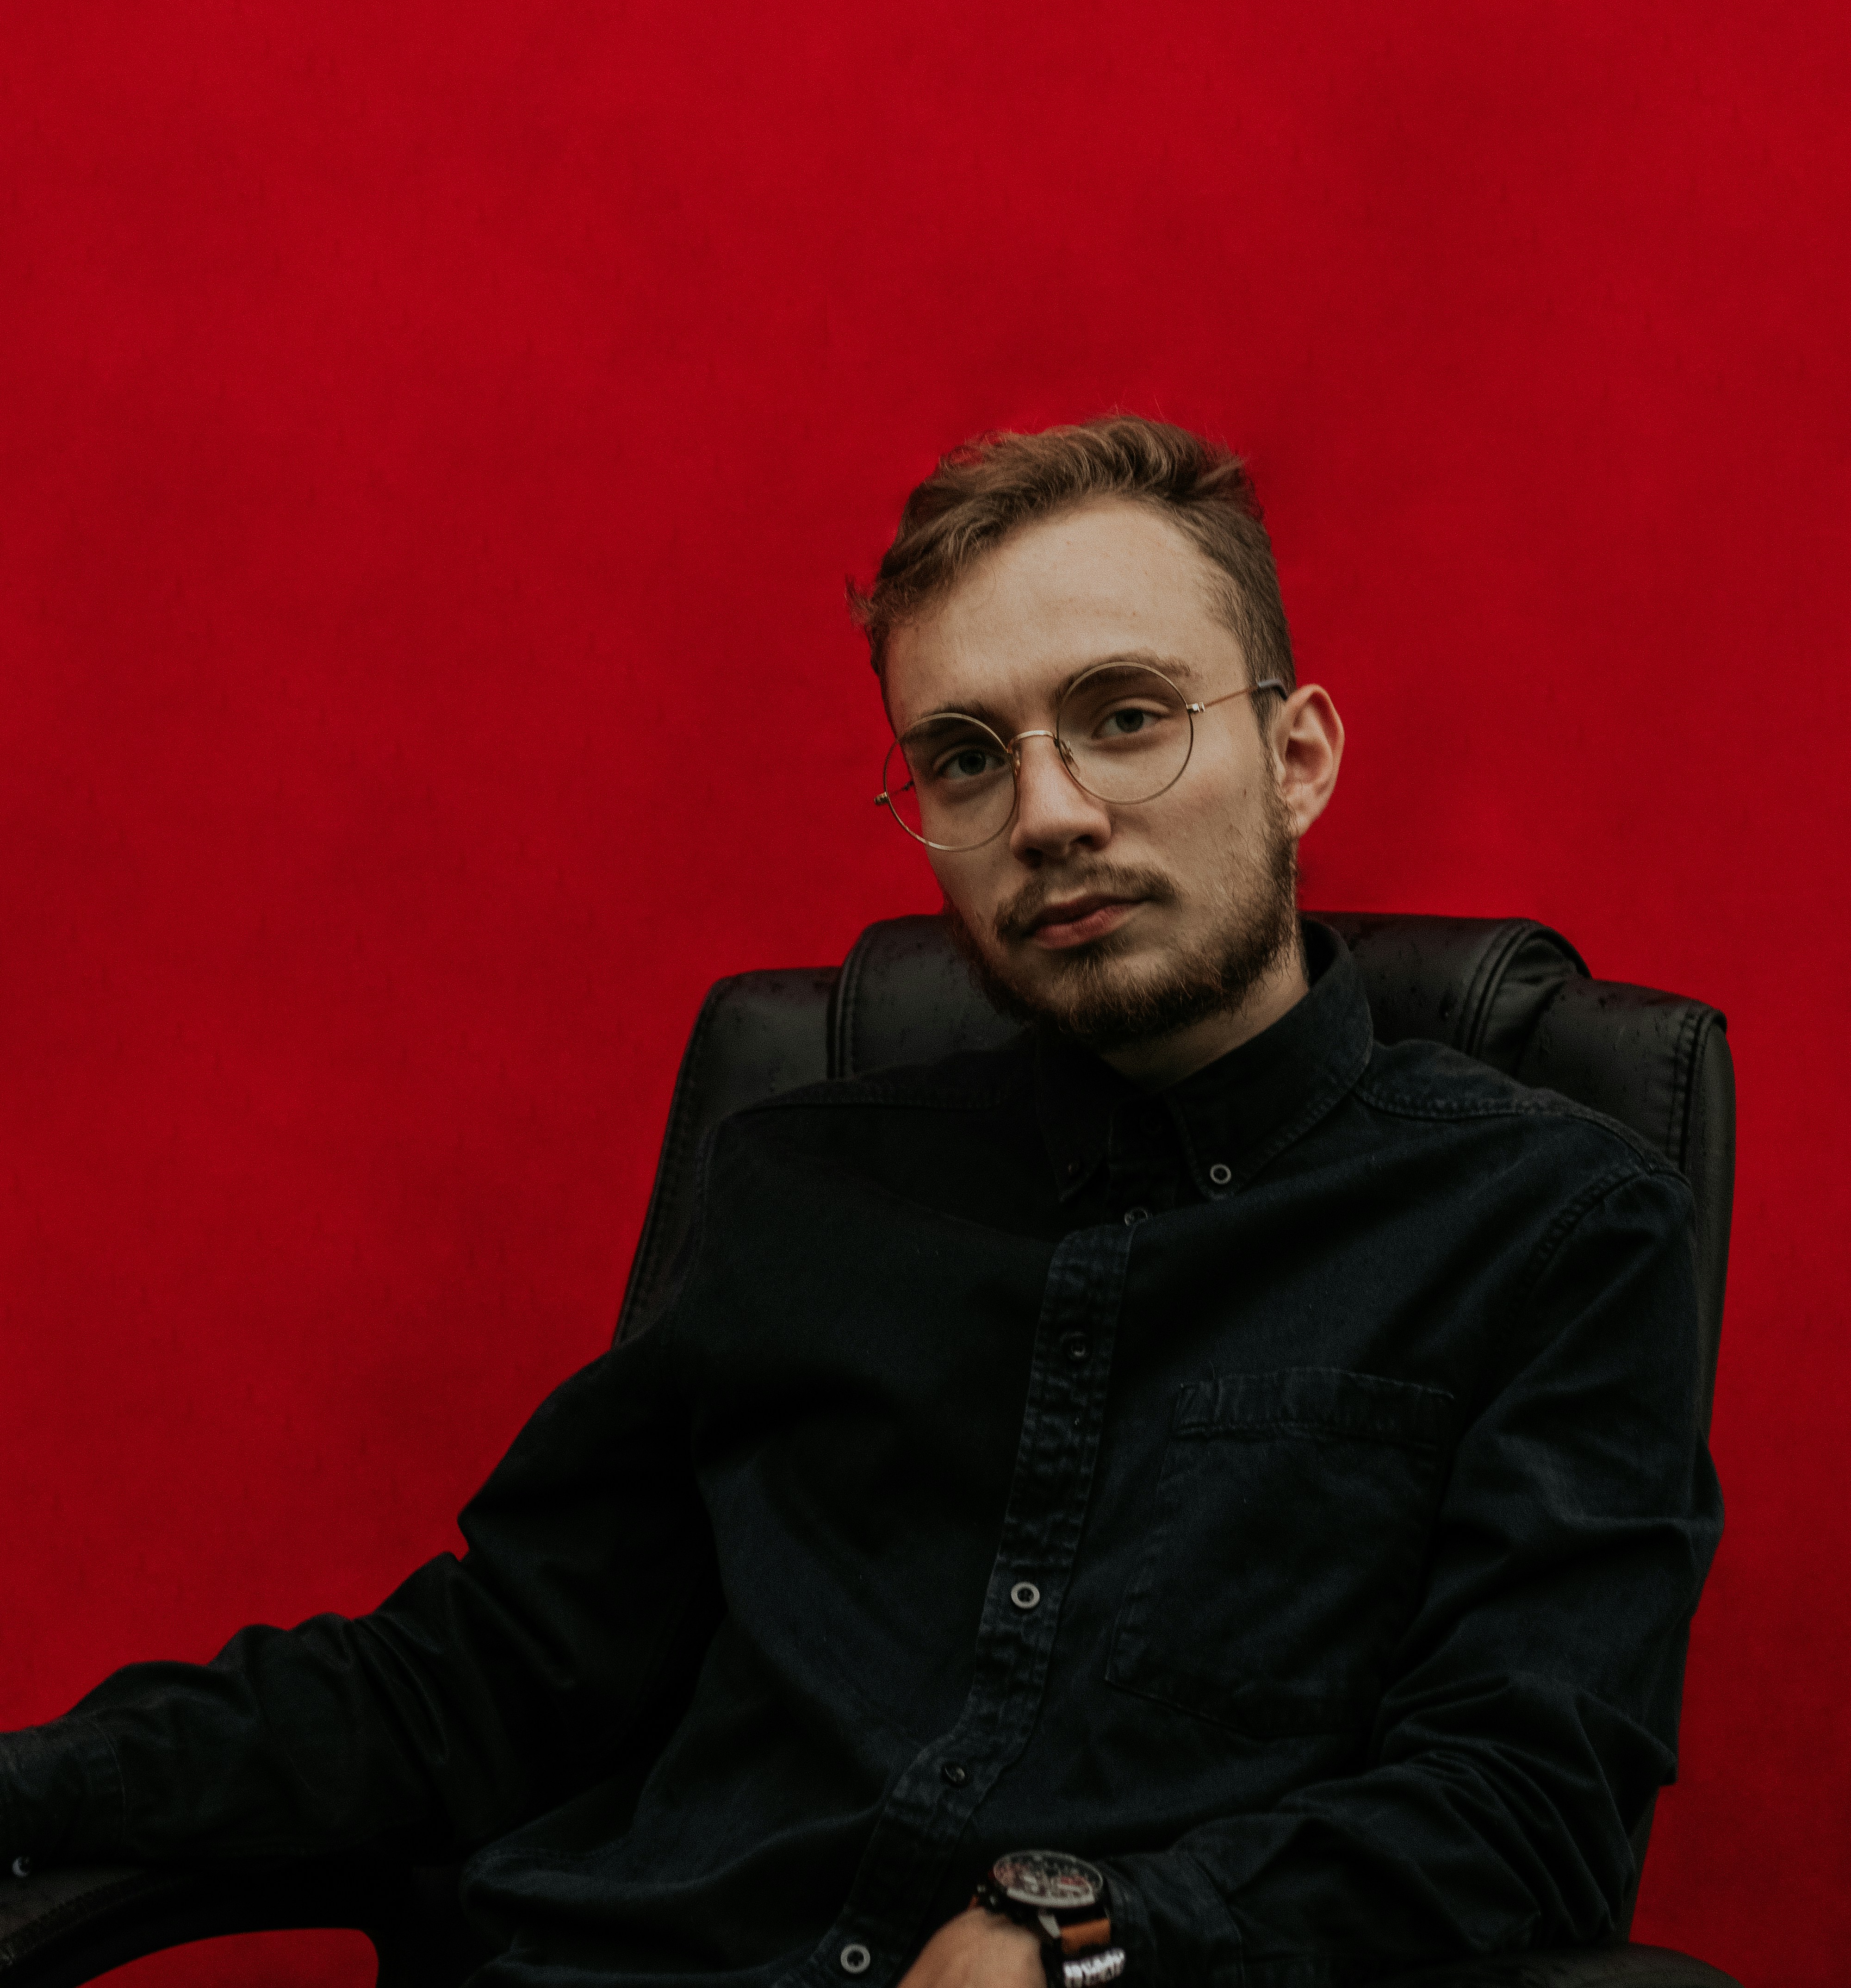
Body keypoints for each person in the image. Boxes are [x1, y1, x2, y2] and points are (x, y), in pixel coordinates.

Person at [0, 418, 1721, 1988]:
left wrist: (1094, 1942)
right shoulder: (805, 1185)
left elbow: (1519, 1802)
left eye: (1125, 715)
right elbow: (484, 1677)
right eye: (965, 758)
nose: (1048, 812)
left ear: (1300, 756)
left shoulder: (1553, 1226)